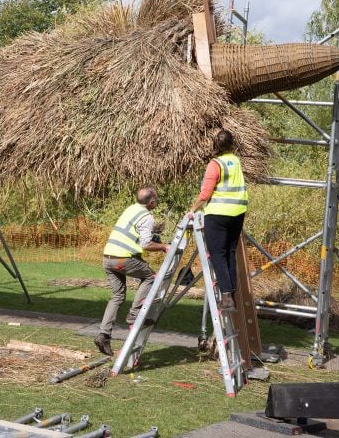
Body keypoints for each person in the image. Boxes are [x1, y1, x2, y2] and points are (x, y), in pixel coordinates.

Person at [94, 187, 171, 356]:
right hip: (122, 259)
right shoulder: (147, 217)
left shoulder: (131, 209)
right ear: (151, 202)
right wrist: (164, 246)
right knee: (151, 277)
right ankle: (134, 315)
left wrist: (154, 234)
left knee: (117, 296)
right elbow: (145, 245)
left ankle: (103, 335)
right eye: (156, 200)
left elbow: (134, 235)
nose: (157, 202)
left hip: (108, 257)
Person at [188, 129, 248, 311]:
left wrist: (192, 210)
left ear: (216, 145)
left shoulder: (215, 164)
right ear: (232, 144)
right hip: (238, 212)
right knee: (230, 253)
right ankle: (231, 294)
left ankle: (227, 297)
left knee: (217, 254)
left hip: (218, 214)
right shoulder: (236, 161)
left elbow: (205, 193)